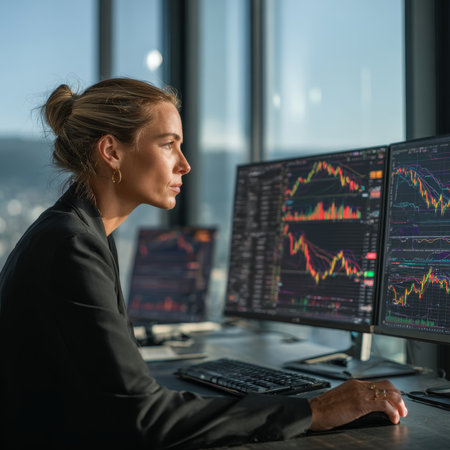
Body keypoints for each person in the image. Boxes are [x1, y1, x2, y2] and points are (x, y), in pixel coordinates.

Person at [0, 78, 407, 449]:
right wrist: (313, 411)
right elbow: (144, 418)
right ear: (111, 152)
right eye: (168, 144)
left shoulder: (76, 231)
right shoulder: (72, 245)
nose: (185, 164)